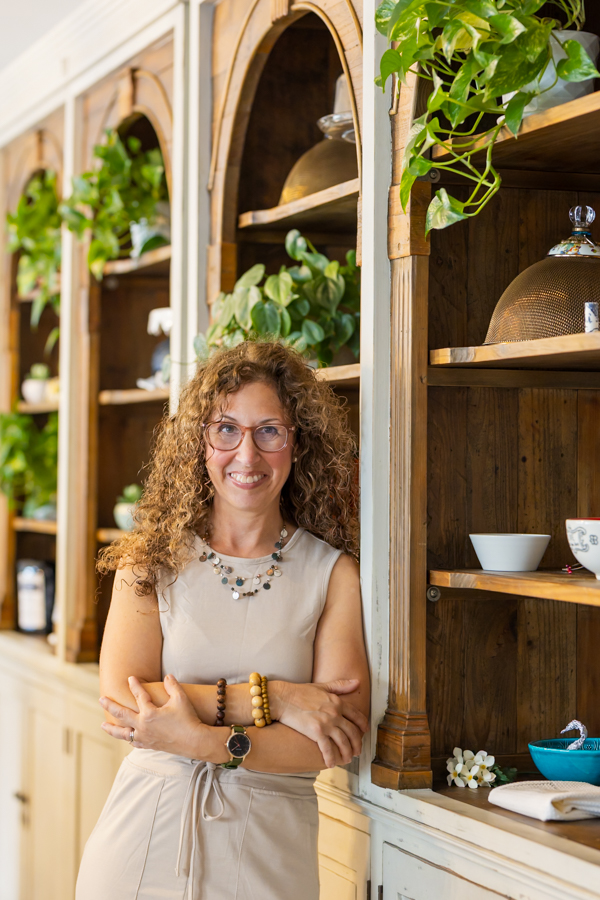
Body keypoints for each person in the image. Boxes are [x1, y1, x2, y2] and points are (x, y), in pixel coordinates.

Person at [76, 340, 369, 900]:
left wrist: (202, 740)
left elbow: (336, 739)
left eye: (269, 431)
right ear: (200, 442)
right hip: (142, 844)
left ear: (298, 442)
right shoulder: (149, 560)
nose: (247, 455)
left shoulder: (334, 574)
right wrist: (279, 699)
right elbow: (125, 702)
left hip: (270, 858)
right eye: (226, 430)